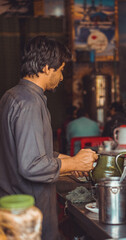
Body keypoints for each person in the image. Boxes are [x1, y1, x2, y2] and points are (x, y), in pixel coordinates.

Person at [0, 36, 98, 240]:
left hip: (12, 207)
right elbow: (31, 165)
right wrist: (71, 163)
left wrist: (67, 160)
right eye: (61, 69)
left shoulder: (12, 96)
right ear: (46, 68)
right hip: (29, 213)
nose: (62, 77)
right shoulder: (30, 103)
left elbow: (29, 149)